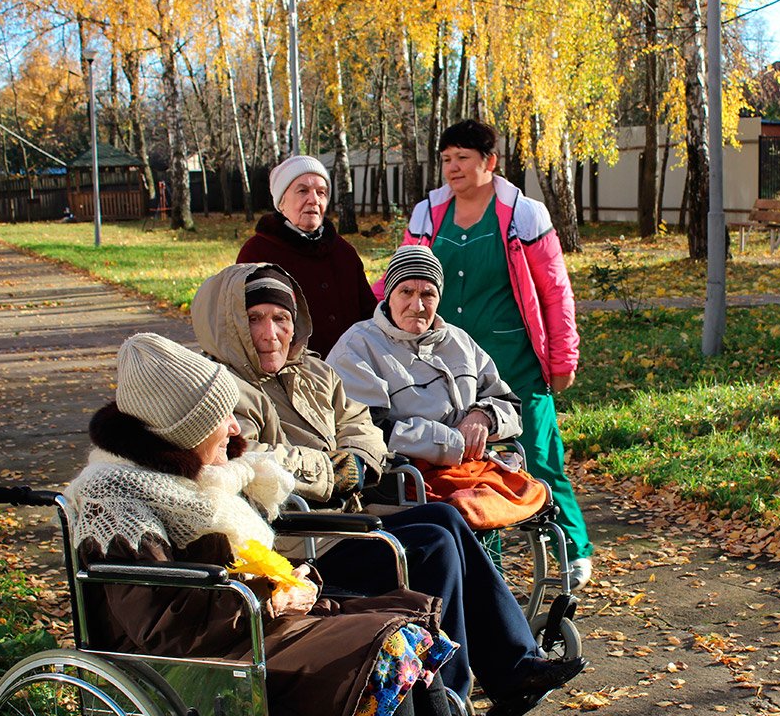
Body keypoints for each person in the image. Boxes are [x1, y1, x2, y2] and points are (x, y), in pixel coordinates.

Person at [191, 263, 587, 716]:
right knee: (432, 547)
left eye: (282, 318)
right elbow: (259, 463)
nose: (271, 333)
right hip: (293, 544)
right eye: (256, 318)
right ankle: (451, 701)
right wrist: (334, 469)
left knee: (443, 518)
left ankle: (514, 666)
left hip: (343, 520)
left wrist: (354, 461)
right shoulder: (220, 389)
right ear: (231, 323)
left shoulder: (315, 373)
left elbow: (364, 434)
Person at [64, 332, 470, 716]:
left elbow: (239, 568)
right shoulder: (116, 500)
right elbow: (166, 629)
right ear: (185, 430)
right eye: (222, 418)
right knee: (392, 650)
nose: (236, 428)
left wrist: (290, 579)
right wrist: (271, 597)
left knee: (413, 638)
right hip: (195, 668)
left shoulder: (193, 479)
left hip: (244, 635)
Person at [383, 119, 593, 589]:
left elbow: (555, 290)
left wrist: (563, 359)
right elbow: (399, 280)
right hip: (447, 365)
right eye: (446, 160)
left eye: (462, 158)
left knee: (538, 453)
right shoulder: (428, 215)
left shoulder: (523, 214)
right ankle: (488, 563)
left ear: (489, 162)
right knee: (467, 462)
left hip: (513, 358)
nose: (452, 168)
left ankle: (573, 548)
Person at [330, 247, 546, 527]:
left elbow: (510, 405)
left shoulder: (459, 341)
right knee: (469, 507)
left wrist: (484, 416)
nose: (417, 305)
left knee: (528, 492)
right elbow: (371, 431)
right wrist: (454, 441)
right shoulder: (357, 347)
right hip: (406, 476)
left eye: (427, 294)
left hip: (472, 467)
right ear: (389, 295)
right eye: (406, 292)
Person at [237, 155, 375, 356]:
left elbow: (368, 315)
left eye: (321, 192)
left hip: (350, 371)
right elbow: (242, 325)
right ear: (281, 202)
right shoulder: (257, 253)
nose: (314, 200)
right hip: (287, 375)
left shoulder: (344, 252)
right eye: (303, 191)